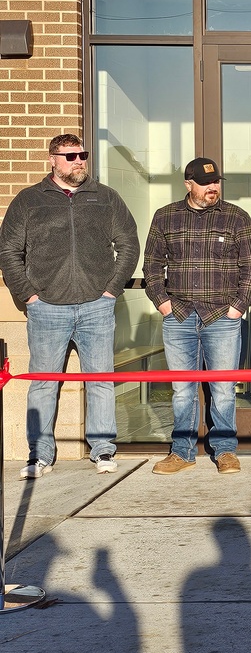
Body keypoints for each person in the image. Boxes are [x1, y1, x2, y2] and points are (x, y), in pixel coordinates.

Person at [0, 133, 139, 478]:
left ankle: (103, 450)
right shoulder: (29, 200)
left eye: (83, 155)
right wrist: (30, 296)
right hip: (47, 307)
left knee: (101, 380)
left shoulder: (105, 197)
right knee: (44, 382)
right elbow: (8, 252)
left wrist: (110, 290)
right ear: (52, 160)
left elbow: (128, 245)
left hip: (97, 305)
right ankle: (40, 454)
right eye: (70, 156)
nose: (79, 161)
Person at [143, 157, 251, 474]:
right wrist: (162, 302)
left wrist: (239, 306)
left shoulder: (236, 218)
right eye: (206, 183)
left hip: (222, 316)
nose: (213, 188)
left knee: (223, 388)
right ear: (188, 184)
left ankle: (225, 451)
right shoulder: (165, 217)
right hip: (179, 315)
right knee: (183, 390)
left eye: (216, 182)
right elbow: (152, 266)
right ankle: (182, 452)